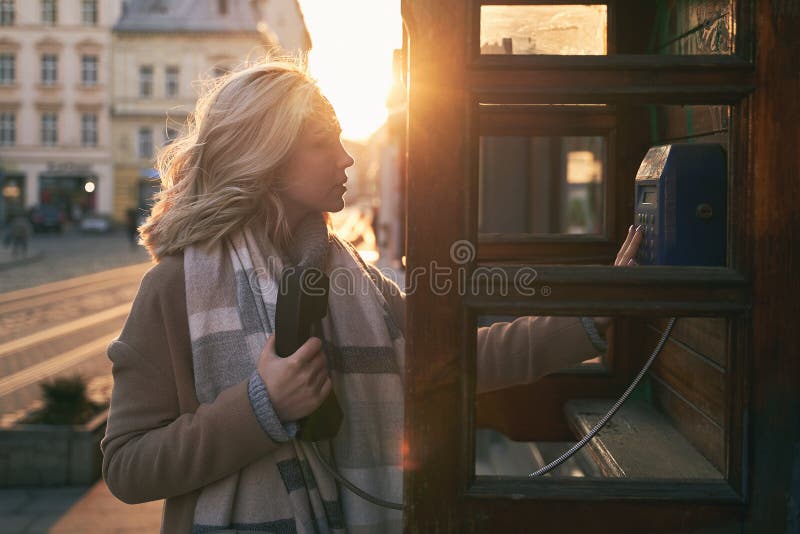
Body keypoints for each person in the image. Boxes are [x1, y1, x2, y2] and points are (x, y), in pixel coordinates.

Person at [100, 57, 643, 533]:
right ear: (266, 156)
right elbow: (127, 464)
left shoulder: (349, 276)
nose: (346, 159)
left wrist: (588, 321)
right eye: (322, 143)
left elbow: (451, 357)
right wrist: (261, 409)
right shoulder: (173, 288)